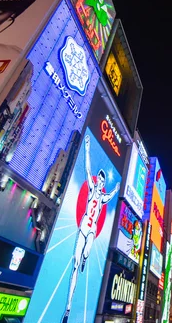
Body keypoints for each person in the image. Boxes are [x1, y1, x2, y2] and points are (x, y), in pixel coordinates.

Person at [62, 134, 119, 323]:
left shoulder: (102, 196)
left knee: (86, 251)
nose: (100, 183)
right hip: (83, 226)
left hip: (92, 230)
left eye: (102, 182)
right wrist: (87, 148)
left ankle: (86, 257)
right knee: (75, 265)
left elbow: (110, 196)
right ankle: (68, 309)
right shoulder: (91, 188)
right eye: (100, 180)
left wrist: (117, 189)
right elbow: (87, 168)